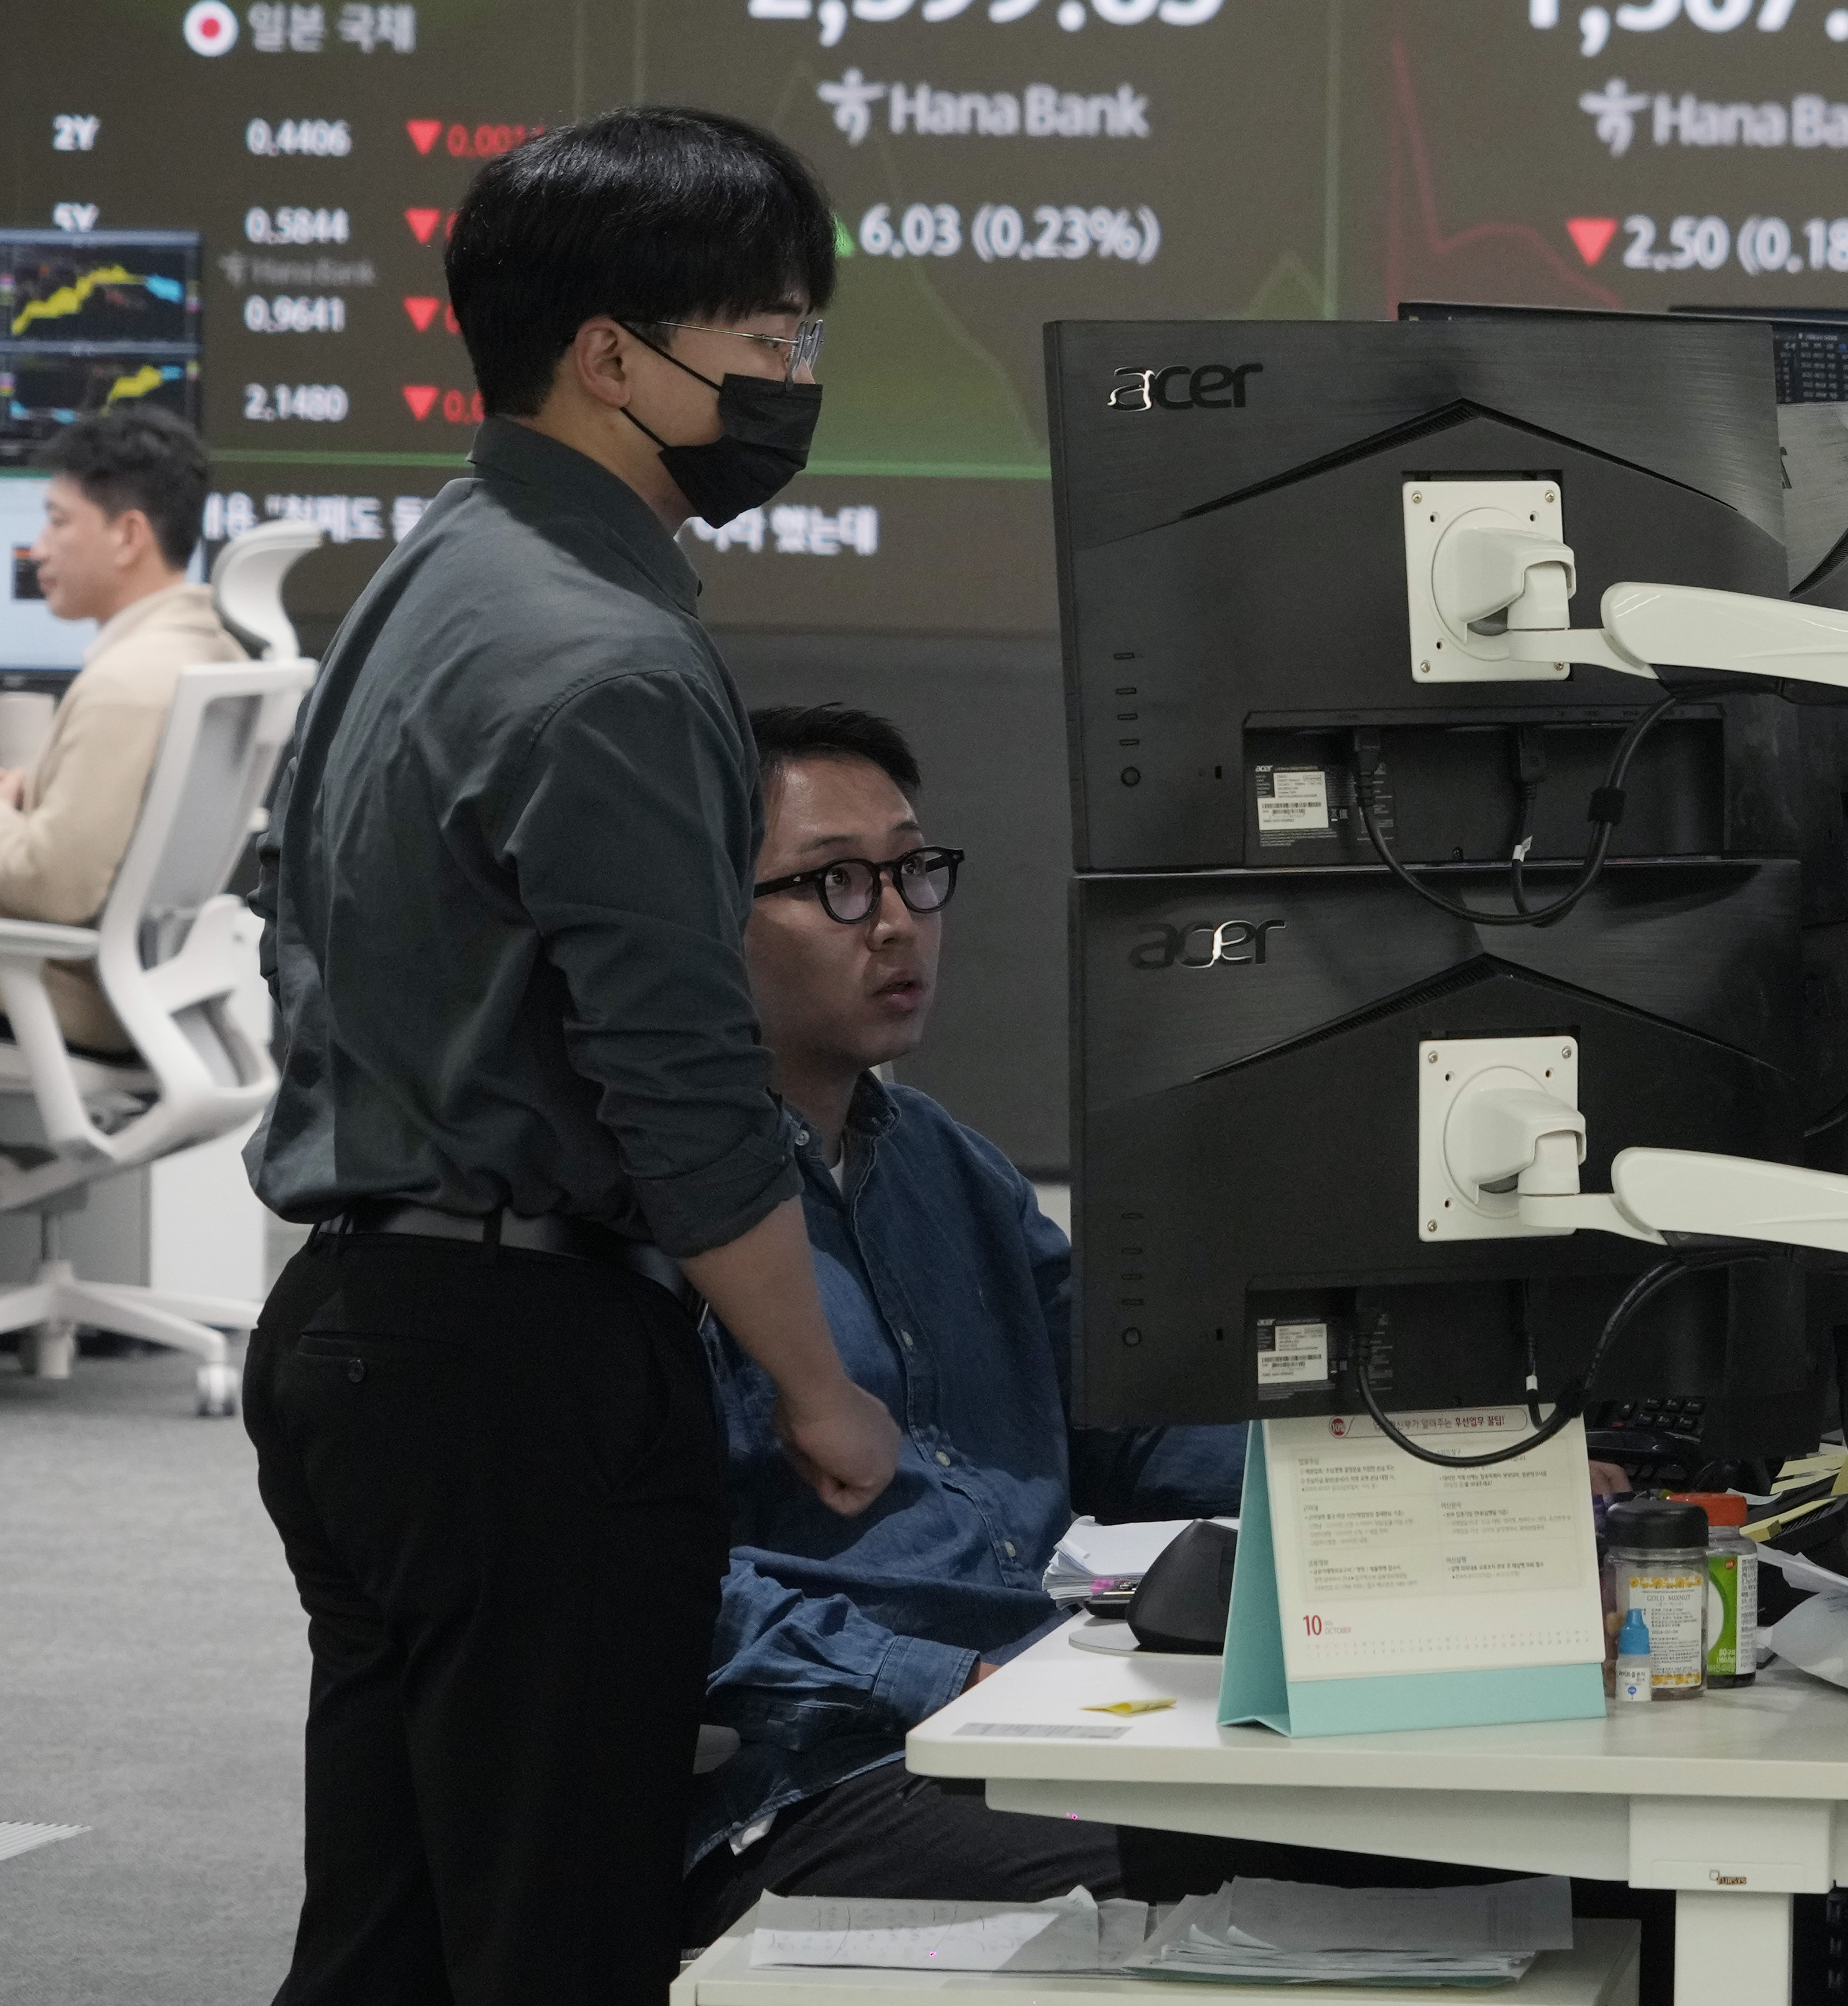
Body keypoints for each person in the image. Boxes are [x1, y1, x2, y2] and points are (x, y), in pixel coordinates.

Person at [243, 107, 900, 2006]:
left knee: (387, 1938)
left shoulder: (433, 575)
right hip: (522, 1369)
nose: (791, 386)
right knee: (562, 1933)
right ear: (612, 352)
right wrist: (815, 1381)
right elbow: (681, 1083)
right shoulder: (607, 653)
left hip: (363, 1332)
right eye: (766, 343)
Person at [679, 702, 1247, 1944]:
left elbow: (1132, 1424)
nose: (895, 920)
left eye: (914, 870)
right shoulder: (662, 1212)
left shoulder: (951, 1164)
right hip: (821, 1780)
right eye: (834, 881)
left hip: (1037, 1708)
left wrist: (1382, 1487)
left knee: (1422, 1812)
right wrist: (946, 1683)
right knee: (1270, 1849)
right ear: (706, 915)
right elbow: (662, 1591)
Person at [0, 406, 244, 1050]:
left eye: (56, 522)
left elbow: (52, 886)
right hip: (144, 993)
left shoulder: (125, 686)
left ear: (128, 535)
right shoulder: (208, 652)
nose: (37, 548)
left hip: (64, 996)